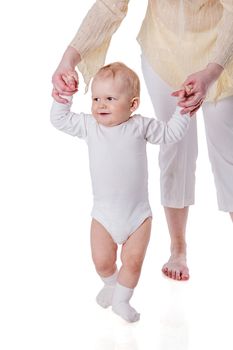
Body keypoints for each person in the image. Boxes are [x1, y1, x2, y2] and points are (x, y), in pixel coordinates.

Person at [52, 1, 233, 281]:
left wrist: (212, 72)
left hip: (221, 46)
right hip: (164, 49)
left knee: (227, 154)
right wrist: (69, 57)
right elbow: (109, 7)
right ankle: (178, 248)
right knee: (174, 150)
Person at [50, 62, 191, 322]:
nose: (100, 105)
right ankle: (112, 285)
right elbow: (59, 119)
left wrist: (183, 110)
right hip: (104, 215)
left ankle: (122, 301)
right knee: (102, 262)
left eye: (110, 99)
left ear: (133, 104)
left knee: (133, 262)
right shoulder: (89, 126)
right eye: (96, 98)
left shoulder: (140, 126)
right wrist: (65, 96)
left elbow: (171, 133)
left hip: (138, 217)